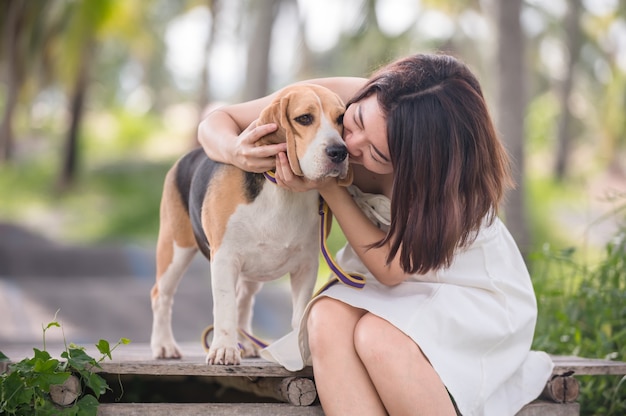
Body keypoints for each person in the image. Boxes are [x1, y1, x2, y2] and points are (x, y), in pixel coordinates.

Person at [198, 53, 553, 416]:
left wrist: (327, 185)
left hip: (459, 285)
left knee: (378, 338)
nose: (349, 144)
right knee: (326, 319)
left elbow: (392, 270)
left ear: (413, 156)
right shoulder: (333, 99)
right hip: (385, 283)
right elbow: (216, 121)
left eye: (375, 152)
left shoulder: (437, 176)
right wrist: (236, 151)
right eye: (356, 120)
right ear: (368, 93)